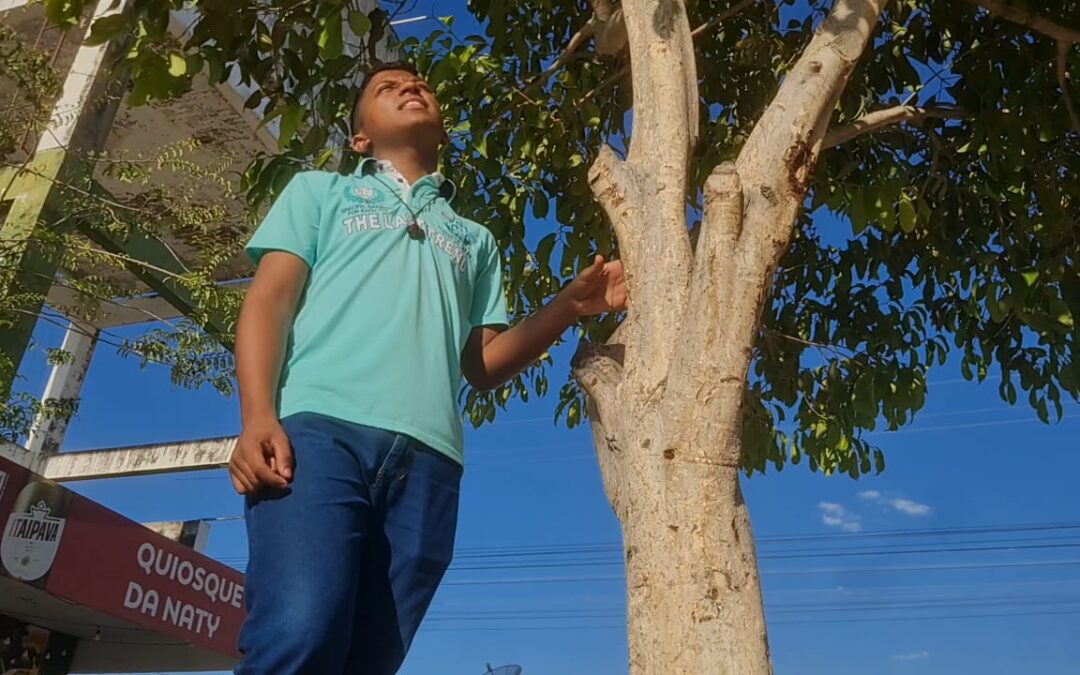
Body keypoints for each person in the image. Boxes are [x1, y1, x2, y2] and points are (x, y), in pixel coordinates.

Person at [229, 61, 627, 674]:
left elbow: (485, 365)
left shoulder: (474, 238)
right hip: (318, 435)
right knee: (300, 630)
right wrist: (257, 415)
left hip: (431, 465)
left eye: (420, 86)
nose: (411, 88)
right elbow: (268, 301)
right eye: (387, 89)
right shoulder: (320, 192)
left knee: (370, 658)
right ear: (360, 138)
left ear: (442, 130)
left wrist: (570, 306)